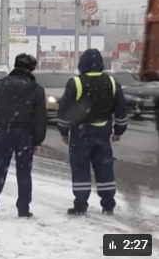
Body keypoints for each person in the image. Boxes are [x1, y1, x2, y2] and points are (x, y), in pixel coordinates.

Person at [57, 48, 128, 216]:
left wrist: (63, 131)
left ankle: (81, 205)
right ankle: (108, 204)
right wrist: (119, 130)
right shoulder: (112, 82)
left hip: (81, 133)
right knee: (104, 167)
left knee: (80, 168)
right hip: (103, 132)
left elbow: (65, 110)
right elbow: (121, 109)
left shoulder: (76, 83)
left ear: (83, 64)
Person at [0, 53, 47, 218]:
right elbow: (40, 118)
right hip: (25, 135)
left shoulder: (0, 85)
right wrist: (37, 140)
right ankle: (23, 209)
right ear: (31, 68)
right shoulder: (37, 89)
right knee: (24, 172)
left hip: (3, 132)